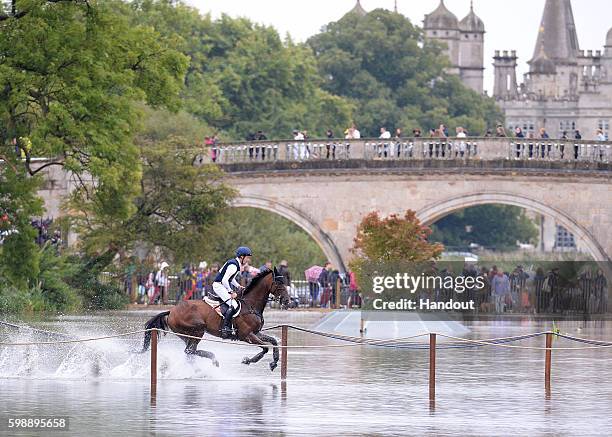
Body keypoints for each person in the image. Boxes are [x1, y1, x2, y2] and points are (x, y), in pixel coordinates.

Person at [210, 246, 252, 338]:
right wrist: (231, 292)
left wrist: (238, 286)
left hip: (221, 285)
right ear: (242, 257)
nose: (248, 260)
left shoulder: (236, 263)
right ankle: (225, 328)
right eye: (247, 257)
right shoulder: (233, 265)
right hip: (219, 286)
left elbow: (231, 279)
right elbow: (225, 280)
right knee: (234, 305)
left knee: (235, 303)